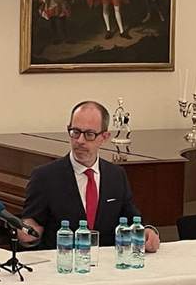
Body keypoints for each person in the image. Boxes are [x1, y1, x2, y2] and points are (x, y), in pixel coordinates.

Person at [18, 101, 160, 251]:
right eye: (75, 132)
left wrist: (148, 231)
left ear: (104, 137)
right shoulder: (45, 176)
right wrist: (27, 233)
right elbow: (30, 223)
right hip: (63, 264)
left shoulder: (116, 175)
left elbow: (131, 218)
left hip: (106, 264)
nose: (80, 141)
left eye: (89, 135)